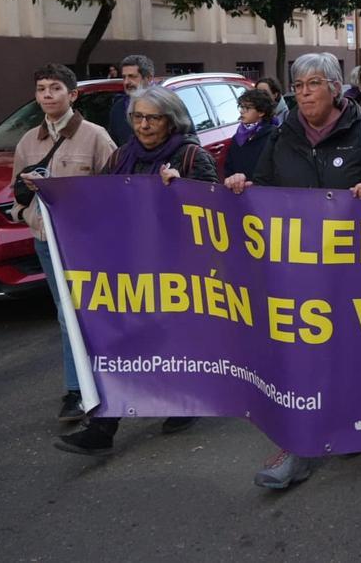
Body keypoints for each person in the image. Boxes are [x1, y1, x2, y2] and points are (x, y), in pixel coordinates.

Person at [225, 52, 361, 491]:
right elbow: (264, 191)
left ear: (335, 88)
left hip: (354, 272)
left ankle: (352, 421)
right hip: (298, 274)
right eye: (298, 86)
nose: (304, 94)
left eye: (313, 84)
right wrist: (243, 188)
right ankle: (300, 446)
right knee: (301, 358)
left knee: (351, 354)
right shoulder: (281, 135)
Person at [55, 85, 216, 456]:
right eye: (138, 117)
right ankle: (103, 426)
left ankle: (184, 400)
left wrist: (181, 190)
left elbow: (212, 211)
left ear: (171, 121)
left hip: (177, 271)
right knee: (117, 342)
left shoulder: (191, 155)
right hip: (128, 267)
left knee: (172, 342)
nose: (143, 125)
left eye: (152, 118)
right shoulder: (121, 157)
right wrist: (51, 193)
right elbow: (97, 201)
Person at [8, 64, 116, 422]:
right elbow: (17, 194)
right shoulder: (28, 141)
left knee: (98, 311)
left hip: (87, 243)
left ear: (72, 95)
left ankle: (113, 379)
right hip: (47, 242)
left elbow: (114, 191)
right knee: (65, 312)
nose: (47, 95)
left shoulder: (96, 136)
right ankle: (75, 389)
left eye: (55, 88)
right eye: (41, 89)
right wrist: (29, 214)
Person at [224, 88, 276, 178]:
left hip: (261, 186)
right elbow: (229, 168)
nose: (241, 111)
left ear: (261, 112)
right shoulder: (237, 138)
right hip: (239, 186)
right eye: (241, 107)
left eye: (247, 108)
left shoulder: (273, 136)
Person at [107, 54, 154, 146]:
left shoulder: (166, 105)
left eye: (132, 76)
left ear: (148, 78)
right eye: (124, 77)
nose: (126, 82)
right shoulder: (118, 108)